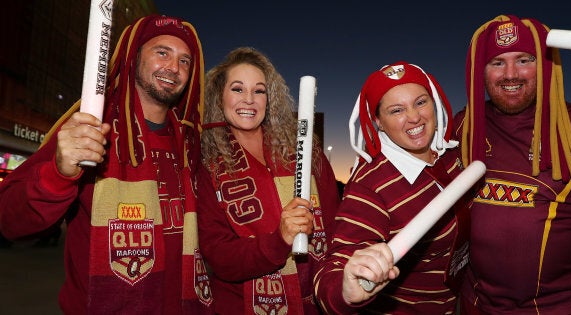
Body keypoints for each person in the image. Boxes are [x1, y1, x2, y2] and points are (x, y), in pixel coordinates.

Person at [0, 14, 214, 314]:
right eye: (162, 52)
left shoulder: (193, 144)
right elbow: (9, 221)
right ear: (134, 57)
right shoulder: (88, 129)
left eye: (184, 61)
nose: (173, 68)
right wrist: (59, 174)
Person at [455, 14, 571, 314]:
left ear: (548, 64)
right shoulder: (464, 127)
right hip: (476, 306)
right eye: (497, 63)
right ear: (480, 71)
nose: (511, 74)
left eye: (524, 60)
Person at [314, 61, 475, 314]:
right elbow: (335, 267)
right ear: (378, 121)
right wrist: (344, 289)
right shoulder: (370, 185)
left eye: (421, 102)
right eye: (397, 110)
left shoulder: (450, 152)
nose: (413, 117)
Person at [196, 47, 340, 314]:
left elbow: (336, 227)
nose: (249, 99)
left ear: (269, 98)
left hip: (317, 301)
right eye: (237, 89)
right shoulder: (206, 163)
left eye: (259, 90)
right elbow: (218, 254)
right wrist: (278, 240)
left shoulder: (306, 151)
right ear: (219, 97)